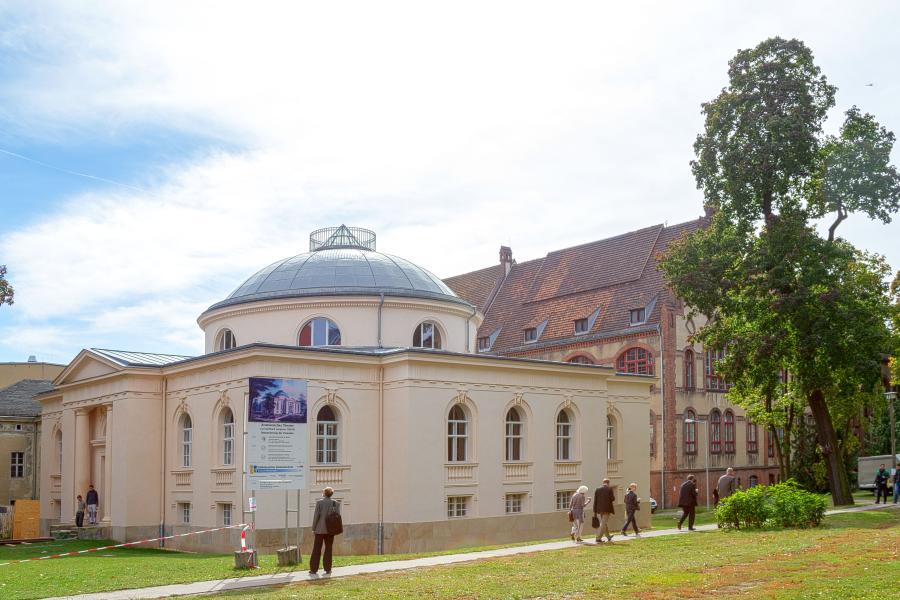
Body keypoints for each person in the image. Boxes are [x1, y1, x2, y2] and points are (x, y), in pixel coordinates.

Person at [309, 486, 341, 576]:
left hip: (319, 530)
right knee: (328, 549)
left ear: (324, 493)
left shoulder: (319, 503)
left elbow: (316, 516)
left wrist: (313, 528)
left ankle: (313, 569)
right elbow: (337, 517)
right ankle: (328, 569)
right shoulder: (336, 503)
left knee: (316, 549)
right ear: (331, 494)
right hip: (331, 530)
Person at [593, 478, 615, 543]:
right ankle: (598, 538)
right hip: (607, 509)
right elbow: (612, 499)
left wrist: (595, 511)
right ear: (608, 483)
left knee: (604, 523)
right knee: (603, 523)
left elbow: (595, 501)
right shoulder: (609, 489)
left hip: (599, 509)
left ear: (603, 482)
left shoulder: (597, 489)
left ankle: (608, 537)